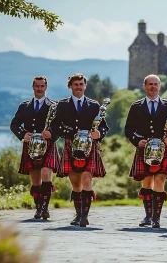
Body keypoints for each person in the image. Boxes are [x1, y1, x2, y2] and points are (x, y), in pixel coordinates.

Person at [51, 73, 109, 227]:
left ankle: (84, 216)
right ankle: (78, 214)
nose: (78, 87)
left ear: (85, 86)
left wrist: (99, 134)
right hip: (71, 145)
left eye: (81, 84)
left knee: (86, 179)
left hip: (90, 146)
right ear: (70, 86)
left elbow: (103, 126)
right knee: (76, 184)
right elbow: (55, 125)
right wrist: (70, 133)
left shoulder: (94, 105)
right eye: (75, 84)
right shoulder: (62, 105)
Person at [125, 74, 167, 228]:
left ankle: (156, 217)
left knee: (160, 180)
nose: (153, 87)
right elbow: (128, 129)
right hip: (144, 149)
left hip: (163, 148)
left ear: (160, 86)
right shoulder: (136, 106)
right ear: (144, 86)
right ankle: (148, 216)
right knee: (147, 182)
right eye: (150, 84)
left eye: (156, 84)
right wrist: (136, 140)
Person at [10, 76, 60, 220]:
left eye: (42, 86)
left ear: (46, 87)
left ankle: (45, 207)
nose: (39, 88)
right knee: (35, 180)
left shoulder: (54, 106)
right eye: (37, 86)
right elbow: (14, 124)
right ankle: (38, 208)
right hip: (30, 145)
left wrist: (52, 134)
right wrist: (22, 134)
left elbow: (59, 126)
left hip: (48, 144)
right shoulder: (24, 106)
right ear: (33, 87)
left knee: (45, 173)